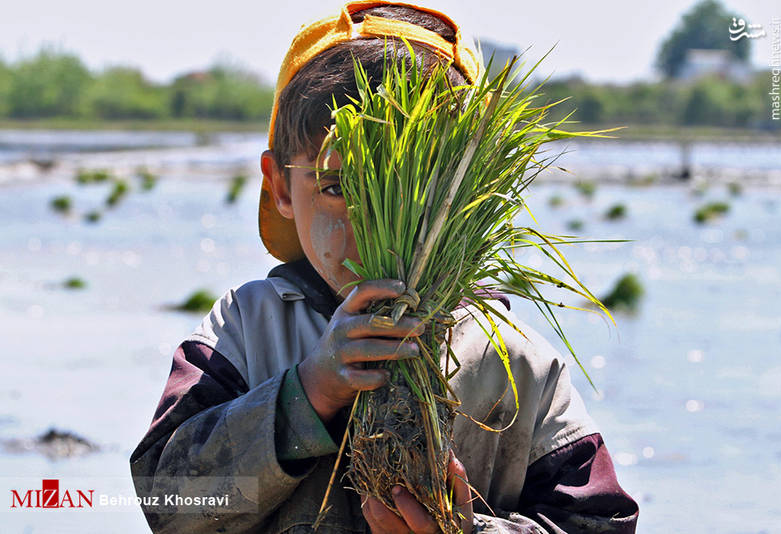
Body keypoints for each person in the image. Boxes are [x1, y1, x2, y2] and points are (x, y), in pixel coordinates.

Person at [129, 2, 639, 532]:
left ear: (466, 190)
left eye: (415, 188)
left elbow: (601, 523)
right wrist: (308, 393)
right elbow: (166, 504)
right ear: (281, 185)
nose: (370, 223)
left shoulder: (512, 361)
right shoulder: (247, 328)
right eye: (336, 187)